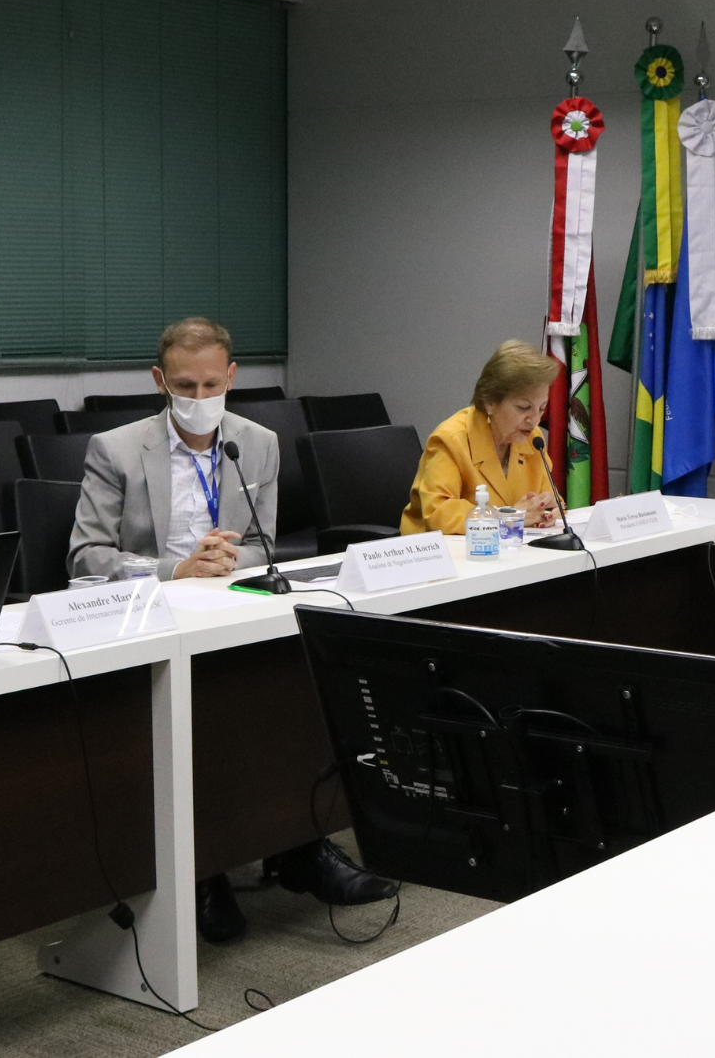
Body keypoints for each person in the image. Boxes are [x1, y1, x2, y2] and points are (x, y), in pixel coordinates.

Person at [69, 317, 394, 943]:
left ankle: (301, 845)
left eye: (211, 385)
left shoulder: (257, 443)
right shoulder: (116, 449)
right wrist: (177, 569)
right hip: (153, 619)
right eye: (184, 386)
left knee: (295, 685)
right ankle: (203, 869)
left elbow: (263, 543)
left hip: (231, 608)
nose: (199, 398)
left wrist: (228, 560)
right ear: (160, 380)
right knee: (208, 711)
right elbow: (86, 558)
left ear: (232, 376)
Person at [402, 339, 563, 535]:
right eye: (523, 407)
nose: (534, 420)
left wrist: (550, 507)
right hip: (442, 549)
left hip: (509, 546)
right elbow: (438, 513)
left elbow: (545, 498)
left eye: (542, 408)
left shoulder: (531, 438)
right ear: (490, 402)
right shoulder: (451, 439)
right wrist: (507, 517)